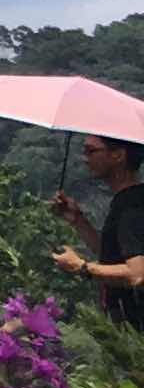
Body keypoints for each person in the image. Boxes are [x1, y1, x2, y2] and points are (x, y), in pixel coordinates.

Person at [50, 129, 144, 325]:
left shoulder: (131, 207)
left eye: (91, 151)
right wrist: (78, 220)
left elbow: (137, 274)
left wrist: (81, 267)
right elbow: (112, 255)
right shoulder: (127, 200)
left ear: (118, 155)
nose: (85, 159)